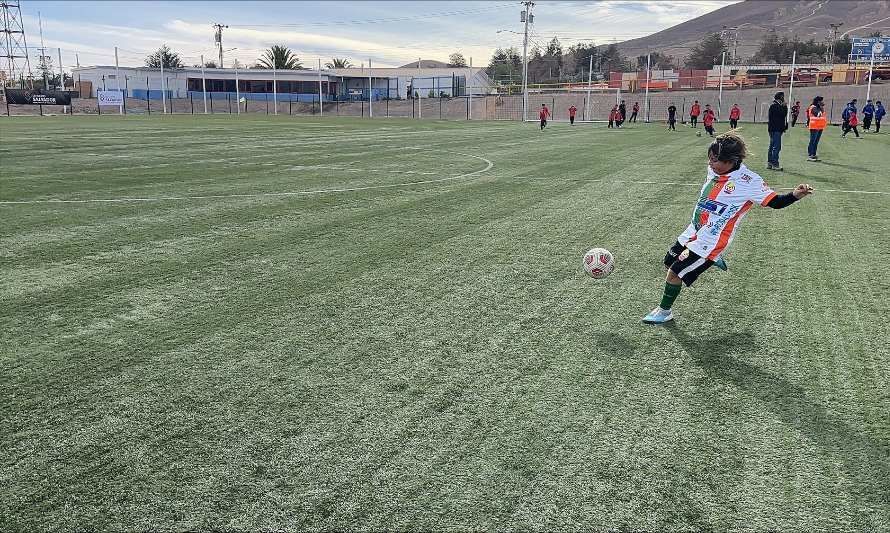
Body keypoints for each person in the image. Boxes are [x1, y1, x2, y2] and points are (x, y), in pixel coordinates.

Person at [642, 132, 814, 324]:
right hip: (695, 229)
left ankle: (665, 311)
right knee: (668, 260)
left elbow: (775, 202)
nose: (710, 164)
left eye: (715, 160)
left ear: (731, 161)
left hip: (711, 239)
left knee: (675, 272)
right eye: (710, 159)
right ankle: (714, 258)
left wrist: (795, 194)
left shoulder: (749, 181)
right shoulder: (716, 171)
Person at [766, 91, 788, 171]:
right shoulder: (775, 106)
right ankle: (775, 163)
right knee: (776, 147)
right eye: (783, 96)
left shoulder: (774, 106)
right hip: (776, 129)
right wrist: (785, 107)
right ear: (780, 97)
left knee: (772, 146)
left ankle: (770, 163)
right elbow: (783, 114)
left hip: (774, 129)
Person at [806, 96, 827, 162]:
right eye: (821, 101)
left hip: (820, 126)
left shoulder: (818, 107)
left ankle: (814, 154)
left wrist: (821, 107)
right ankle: (810, 155)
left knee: (816, 141)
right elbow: (818, 114)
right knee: (813, 141)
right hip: (814, 126)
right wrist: (821, 108)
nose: (822, 102)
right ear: (818, 102)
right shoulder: (813, 107)